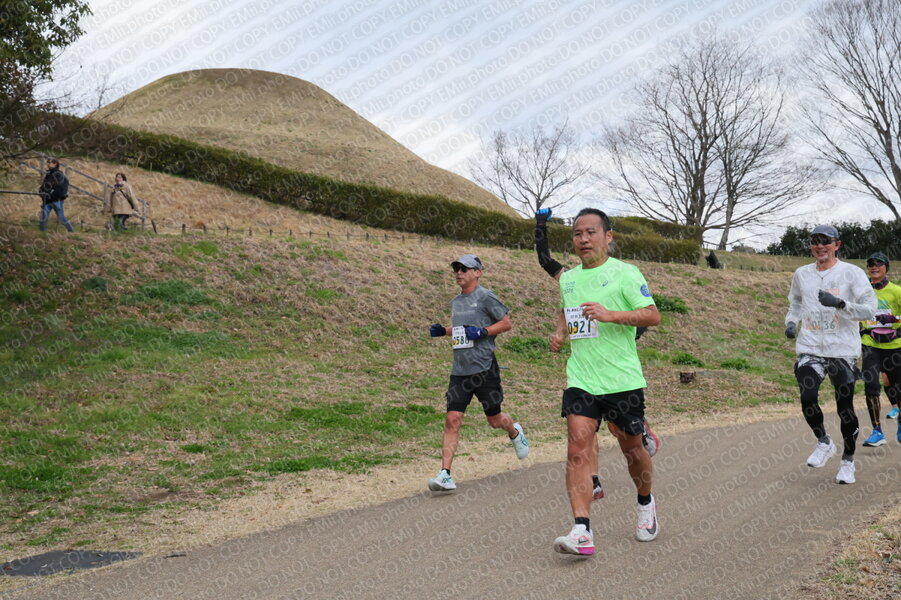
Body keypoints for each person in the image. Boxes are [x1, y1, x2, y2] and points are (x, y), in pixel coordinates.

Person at [550, 208, 661, 556]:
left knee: (633, 450)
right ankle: (581, 529)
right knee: (577, 450)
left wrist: (611, 315)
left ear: (608, 237)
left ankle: (645, 502)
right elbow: (567, 310)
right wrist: (560, 333)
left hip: (621, 380)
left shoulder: (625, 273)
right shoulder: (568, 279)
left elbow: (652, 315)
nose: (583, 239)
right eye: (577, 233)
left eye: (591, 232)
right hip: (581, 378)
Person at [427, 254, 529, 491]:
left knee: (495, 420)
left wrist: (483, 332)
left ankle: (515, 432)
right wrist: (443, 331)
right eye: (456, 268)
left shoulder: (486, 296)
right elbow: (461, 330)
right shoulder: (456, 302)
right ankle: (445, 474)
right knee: (452, 420)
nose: (458, 272)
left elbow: (506, 323)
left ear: (477, 272)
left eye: (464, 268)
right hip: (460, 371)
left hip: (484, 368)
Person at [785, 225, 877, 485]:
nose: (820, 246)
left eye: (825, 241)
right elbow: (795, 302)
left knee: (844, 407)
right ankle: (824, 441)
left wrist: (840, 304)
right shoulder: (802, 274)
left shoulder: (852, 273)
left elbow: (870, 310)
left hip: (842, 350)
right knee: (807, 396)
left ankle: (848, 460)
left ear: (837, 244)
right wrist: (791, 322)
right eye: (815, 241)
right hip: (811, 347)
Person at [858, 252, 901, 446]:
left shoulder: (896, 291)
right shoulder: (862, 293)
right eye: (870, 264)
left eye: (879, 264)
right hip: (870, 344)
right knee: (871, 386)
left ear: (886, 268)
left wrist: (895, 319)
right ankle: (877, 431)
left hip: (894, 346)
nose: (874, 267)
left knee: (897, 387)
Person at [38, 158, 74, 232]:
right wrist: (41, 192)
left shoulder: (59, 175)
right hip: (47, 200)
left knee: (61, 218)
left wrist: (52, 195)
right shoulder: (49, 174)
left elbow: (61, 188)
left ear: (55, 164)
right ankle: (42, 232)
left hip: (56, 201)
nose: (48, 164)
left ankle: (71, 231)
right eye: (47, 162)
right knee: (43, 217)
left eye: (49, 162)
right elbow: (45, 186)